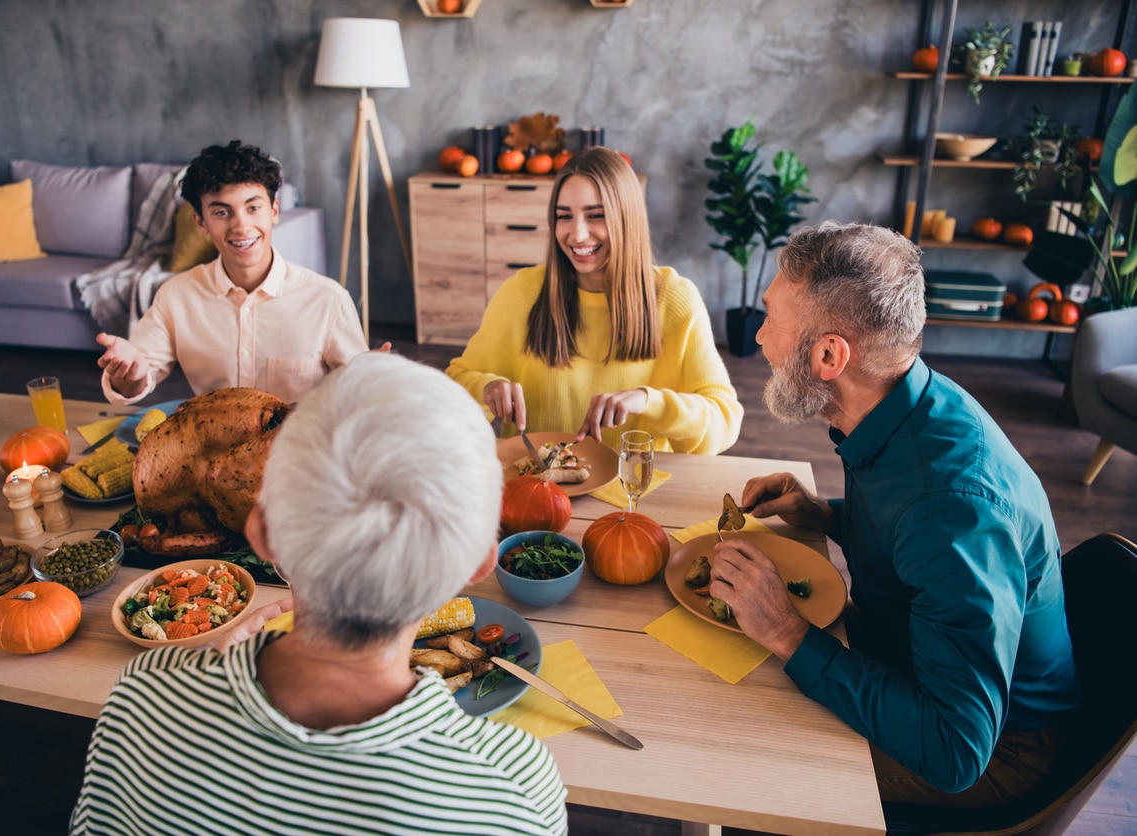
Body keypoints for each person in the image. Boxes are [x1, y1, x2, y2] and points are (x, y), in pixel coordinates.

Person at [70, 352, 568, 835]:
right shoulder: (514, 782)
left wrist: (199, 676)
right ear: (481, 562)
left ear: (262, 535)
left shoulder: (142, 697)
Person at [708, 221, 1079, 811]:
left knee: (738, 760)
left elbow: (955, 751)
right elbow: (913, 556)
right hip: (901, 656)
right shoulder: (900, 404)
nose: (759, 338)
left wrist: (787, 632)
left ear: (829, 354)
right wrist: (828, 516)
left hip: (1000, 753)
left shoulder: (952, 505)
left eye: (772, 318)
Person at [446, 146, 742, 454]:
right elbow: (456, 381)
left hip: (634, 491)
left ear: (627, 218)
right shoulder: (520, 294)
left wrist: (648, 400)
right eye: (564, 217)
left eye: (595, 215)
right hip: (534, 487)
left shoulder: (675, 298)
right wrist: (487, 388)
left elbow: (723, 421)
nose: (578, 234)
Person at [95, 140, 372, 406]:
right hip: (216, 448)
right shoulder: (175, 296)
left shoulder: (328, 300)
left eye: (253, 208)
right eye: (222, 213)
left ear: (274, 211)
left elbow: (360, 393)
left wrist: (378, 380)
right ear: (200, 222)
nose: (241, 226)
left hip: (300, 448)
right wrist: (130, 375)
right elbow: (137, 377)